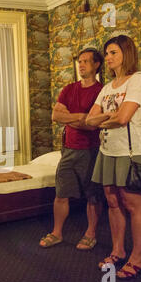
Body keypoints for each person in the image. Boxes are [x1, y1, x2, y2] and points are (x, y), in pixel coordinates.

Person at [86, 35, 141, 279]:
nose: (108, 57)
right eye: (107, 53)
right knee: (112, 202)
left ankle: (138, 257)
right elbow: (88, 120)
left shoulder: (137, 80)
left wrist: (104, 117)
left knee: (133, 204)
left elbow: (123, 118)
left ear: (127, 53)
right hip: (108, 151)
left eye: (113, 52)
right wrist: (110, 116)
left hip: (130, 151)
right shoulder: (106, 88)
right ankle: (118, 250)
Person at [39, 48, 104, 250]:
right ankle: (57, 232)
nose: (81, 65)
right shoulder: (69, 89)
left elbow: (93, 125)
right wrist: (80, 116)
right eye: (79, 61)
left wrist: (72, 117)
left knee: (92, 194)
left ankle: (90, 233)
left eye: (86, 61)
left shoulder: (101, 91)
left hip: (91, 149)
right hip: (68, 149)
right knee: (61, 193)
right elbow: (56, 116)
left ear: (96, 65)